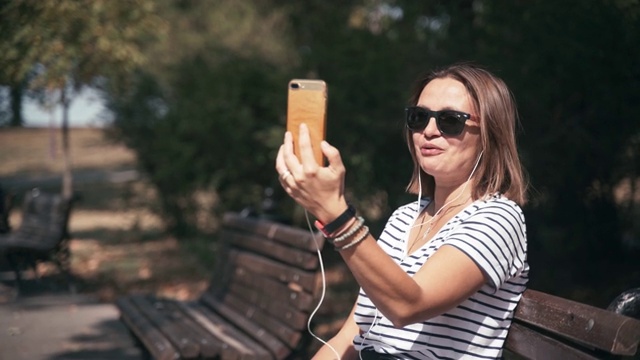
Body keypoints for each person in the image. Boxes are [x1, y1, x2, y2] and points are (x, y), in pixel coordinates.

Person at [275, 63, 529, 360]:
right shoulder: (404, 218)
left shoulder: (498, 218)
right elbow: (352, 332)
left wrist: (336, 215)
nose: (429, 131)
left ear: (489, 133)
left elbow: (409, 306)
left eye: (450, 120)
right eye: (419, 118)